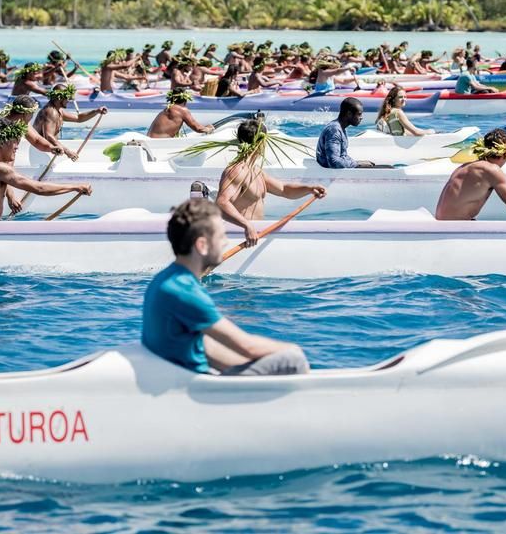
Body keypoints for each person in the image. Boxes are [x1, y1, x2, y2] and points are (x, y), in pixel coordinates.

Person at [142, 198, 309, 375]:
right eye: (221, 236)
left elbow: (204, 346)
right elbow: (248, 347)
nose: (225, 242)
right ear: (202, 245)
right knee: (293, 360)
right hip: (198, 387)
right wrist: (293, 348)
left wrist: (247, 362)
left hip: (183, 371)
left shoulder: (166, 279)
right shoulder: (185, 292)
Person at [215, 118, 327, 247]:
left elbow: (284, 190)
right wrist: (246, 225)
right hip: (241, 237)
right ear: (261, 143)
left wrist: (309, 189)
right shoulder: (237, 171)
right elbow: (221, 203)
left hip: (255, 235)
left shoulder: (256, 171)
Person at [0, 118, 93, 221]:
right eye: (14, 141)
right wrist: (76, 187)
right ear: (2, 143)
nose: (16, 146)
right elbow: (39, 188)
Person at [34, 83, 107, 160]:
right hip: (41, 154)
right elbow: (49, 136)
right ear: (59, 98)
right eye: (67, 98)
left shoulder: (58, 110)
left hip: (48, 151)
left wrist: (96, 111)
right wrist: (67, 152)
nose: (68, 100)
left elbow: (78, 118)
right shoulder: (51, 112)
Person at [0, 95, 65, 160]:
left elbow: (36, 140)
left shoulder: (21, 122)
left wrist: (51, 148)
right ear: (26, 114)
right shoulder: (1, 126)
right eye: (32, 113)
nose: (32, 116)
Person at [315, 98, 375, 168]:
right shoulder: (334, 130)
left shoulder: (340, 128)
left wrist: (358, 162)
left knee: (384, 166)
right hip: (328, 172)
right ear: (349, 114)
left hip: (333, 169)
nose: (361, 117)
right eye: (359, 114)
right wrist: (357, 164)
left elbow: (342, 155)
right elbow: (334, 162)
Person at [147, 88, 215, 138]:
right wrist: (209, 129)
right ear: (185, 99)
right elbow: (198, 128)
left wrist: (204, 127)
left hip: (149, 139)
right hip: (157, 143)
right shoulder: (182, 110)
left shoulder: (167, 109)